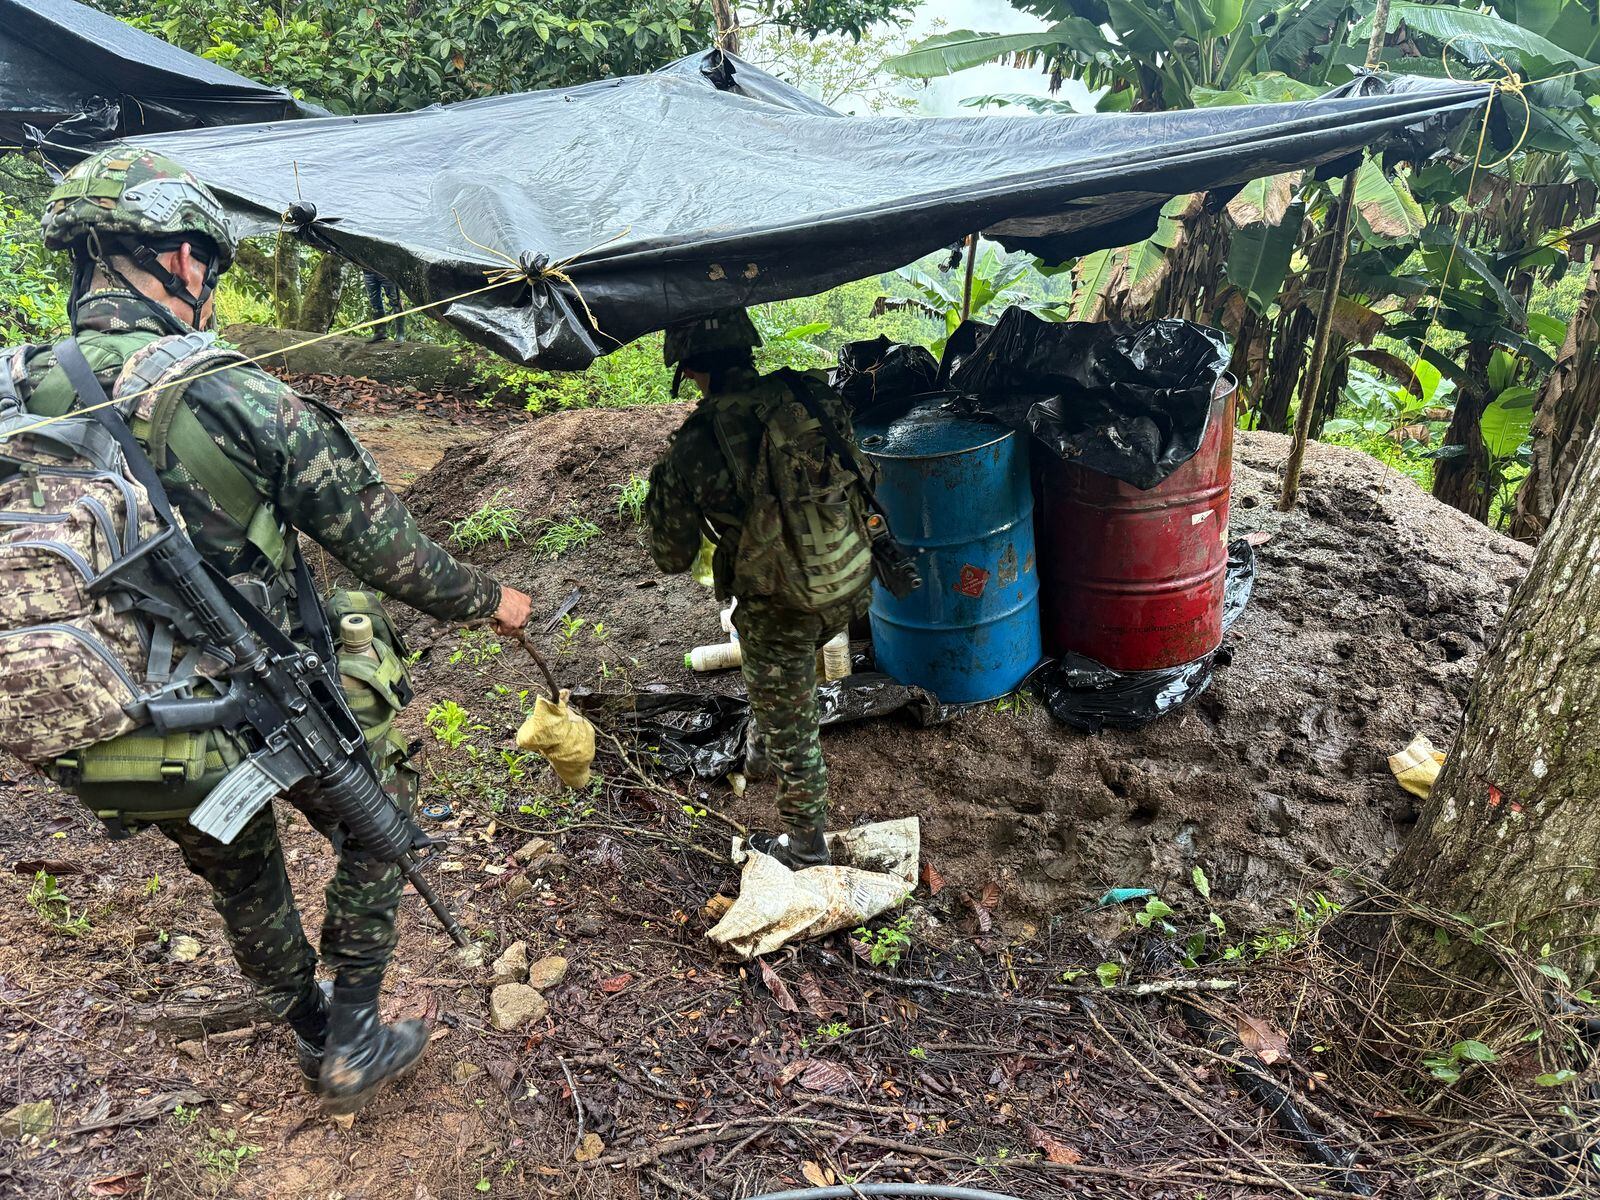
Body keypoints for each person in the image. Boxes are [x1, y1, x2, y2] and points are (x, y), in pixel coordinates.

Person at [11, 145, 533, 1115]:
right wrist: (489, 601)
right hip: (252, 699)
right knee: (381, 831)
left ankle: (299, 1016)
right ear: (176, 259)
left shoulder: (15, 394)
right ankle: (351, 1034)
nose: (209, 283)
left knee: (233, 857)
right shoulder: (234, 394)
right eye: (208, 259)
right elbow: (389, 552)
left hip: (109, 717)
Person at [645, 309, 873, 870]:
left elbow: (671, 556)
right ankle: (762, 742)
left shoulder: (695, 445)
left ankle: (805, 847)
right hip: (849, 579)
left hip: (783, 604)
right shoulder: (808, 396)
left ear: (689, 366)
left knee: (793, 721)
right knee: (781, 690)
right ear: (748, 346)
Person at [362, 268, 404, 341]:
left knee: (395, 301)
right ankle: (380, 332)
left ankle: (400, 334)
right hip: (368, 271)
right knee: (374, 303)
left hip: (386, 270)